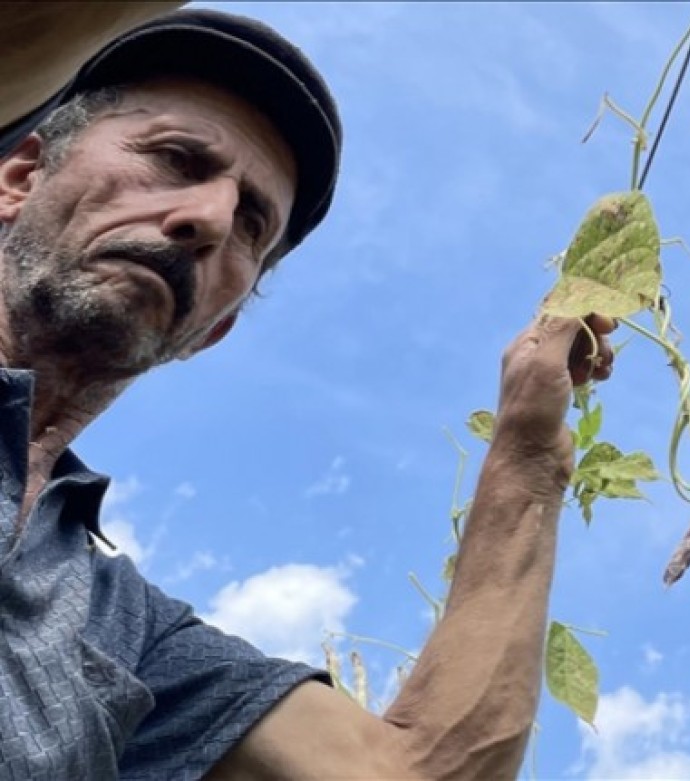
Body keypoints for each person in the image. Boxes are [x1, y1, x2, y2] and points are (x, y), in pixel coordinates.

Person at [0, 4, 615, 779]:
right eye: (176, 159)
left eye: (254, 225)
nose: (212, 218)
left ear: (213, 329)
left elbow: (417, 773)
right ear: (19, 176)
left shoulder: (116, 625)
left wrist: (528, 453)